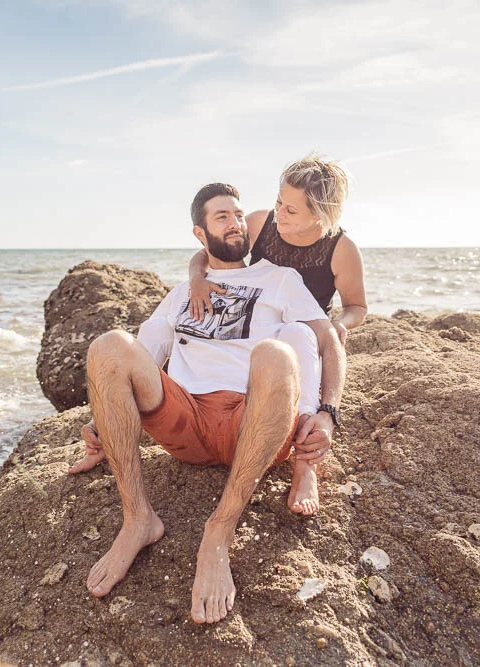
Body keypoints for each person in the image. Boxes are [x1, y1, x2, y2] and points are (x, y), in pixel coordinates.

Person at [80, 183, 345, 624]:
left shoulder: (279, 278)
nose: (236, 223)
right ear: (200, 234)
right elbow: (141, 356)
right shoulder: (183, 291)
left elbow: (327, 342)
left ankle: (219, 531)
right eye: (222, 216)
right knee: (109, 345)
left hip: (255, 425)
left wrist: (327, 413)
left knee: (277, 351)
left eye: (239, 214)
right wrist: (103, 422)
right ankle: (138, 519)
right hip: (185, 422)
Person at [187, 153, 367, 345]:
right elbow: (209, 251)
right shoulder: (260, 223)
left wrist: (339, 323)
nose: (279, 214)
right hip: (256, 327)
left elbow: (356, 307)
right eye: (279, 202)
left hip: (303, 335)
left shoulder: (342, 250)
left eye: (291, 210)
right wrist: (196, 278)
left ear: (319, 215)